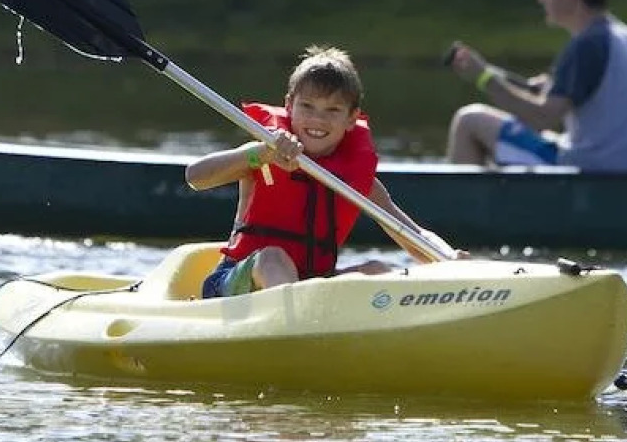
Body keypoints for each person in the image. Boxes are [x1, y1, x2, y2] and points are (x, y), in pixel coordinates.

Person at [185, 46, 464, 298]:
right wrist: (261, 154)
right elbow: (195, 177)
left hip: (311, 286)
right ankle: (293, 325)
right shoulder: (262, 153)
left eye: (332, 110)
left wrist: (449, 258)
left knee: (376, 270)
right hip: (235, 286)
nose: (318, 119)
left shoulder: (357, 181)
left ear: (352, 118)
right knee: (273, 257)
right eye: (307, 106)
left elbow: (413, 235)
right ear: (289, 105)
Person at [445, 0, 627, 173]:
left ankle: (462, 197)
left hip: (592, 172)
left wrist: (484, 77)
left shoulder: (587, 44)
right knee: (541, 138)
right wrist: (552, 87)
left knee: (469, 121)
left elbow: (542, 117)